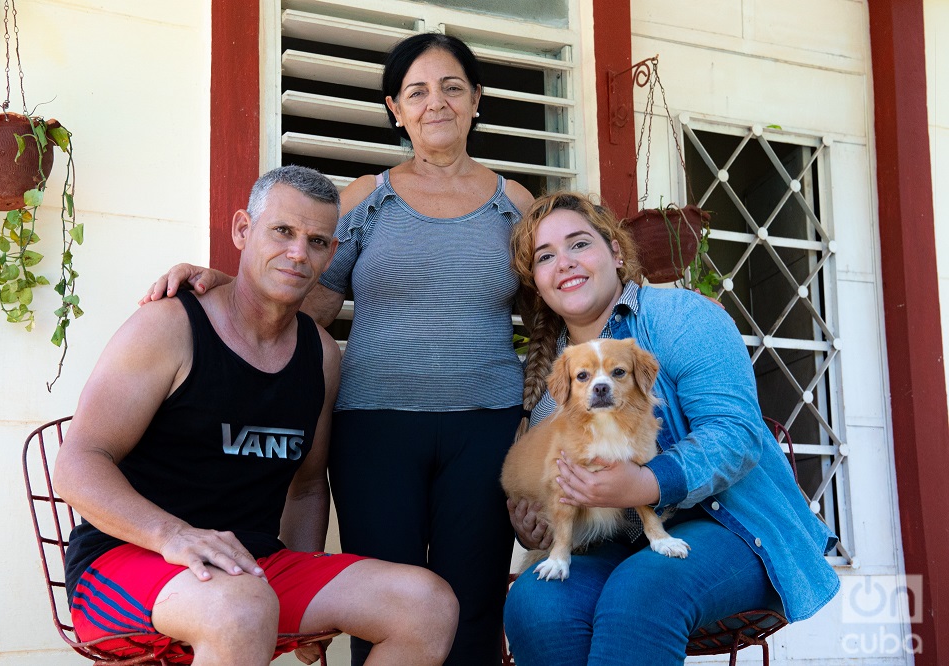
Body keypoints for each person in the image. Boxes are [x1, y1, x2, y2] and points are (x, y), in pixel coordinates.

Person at [141, 33, 534, 665]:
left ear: (477, 101)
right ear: (394, 109)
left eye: (453, 87)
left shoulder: (515, 206)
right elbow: (301, 295)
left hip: (485, 425)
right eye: (417, 91)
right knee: (383, 604)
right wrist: (222, 283)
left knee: (477, 601)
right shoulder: (362, 200)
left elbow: (550, 319)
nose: (437, 102)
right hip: (374, 426)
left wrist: (534, 421)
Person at [53, 166, 458, 666]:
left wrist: (310, 579)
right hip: (128, 560)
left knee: (425, 605)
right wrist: (173, 535)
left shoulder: (321, 355)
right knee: (241, 606)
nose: (297, 253)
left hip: (255, 568)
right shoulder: (169, 326)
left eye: (315, 241)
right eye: (282, 232)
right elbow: (77, 463)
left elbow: (307, 486)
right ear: (243, 230)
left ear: (331, 255)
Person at [502, 191, 839, 666]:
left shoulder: (682, 318)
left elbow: (733, 432)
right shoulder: (551, 379)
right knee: (537, 604)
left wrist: (646, 482)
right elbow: (553, 490)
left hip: (729, 523)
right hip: (613, 541)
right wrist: (537, 519)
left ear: (615, 253)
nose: (564, 263)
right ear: (537, 282)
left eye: (579, 244)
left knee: (643, 590)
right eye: (545, 256)